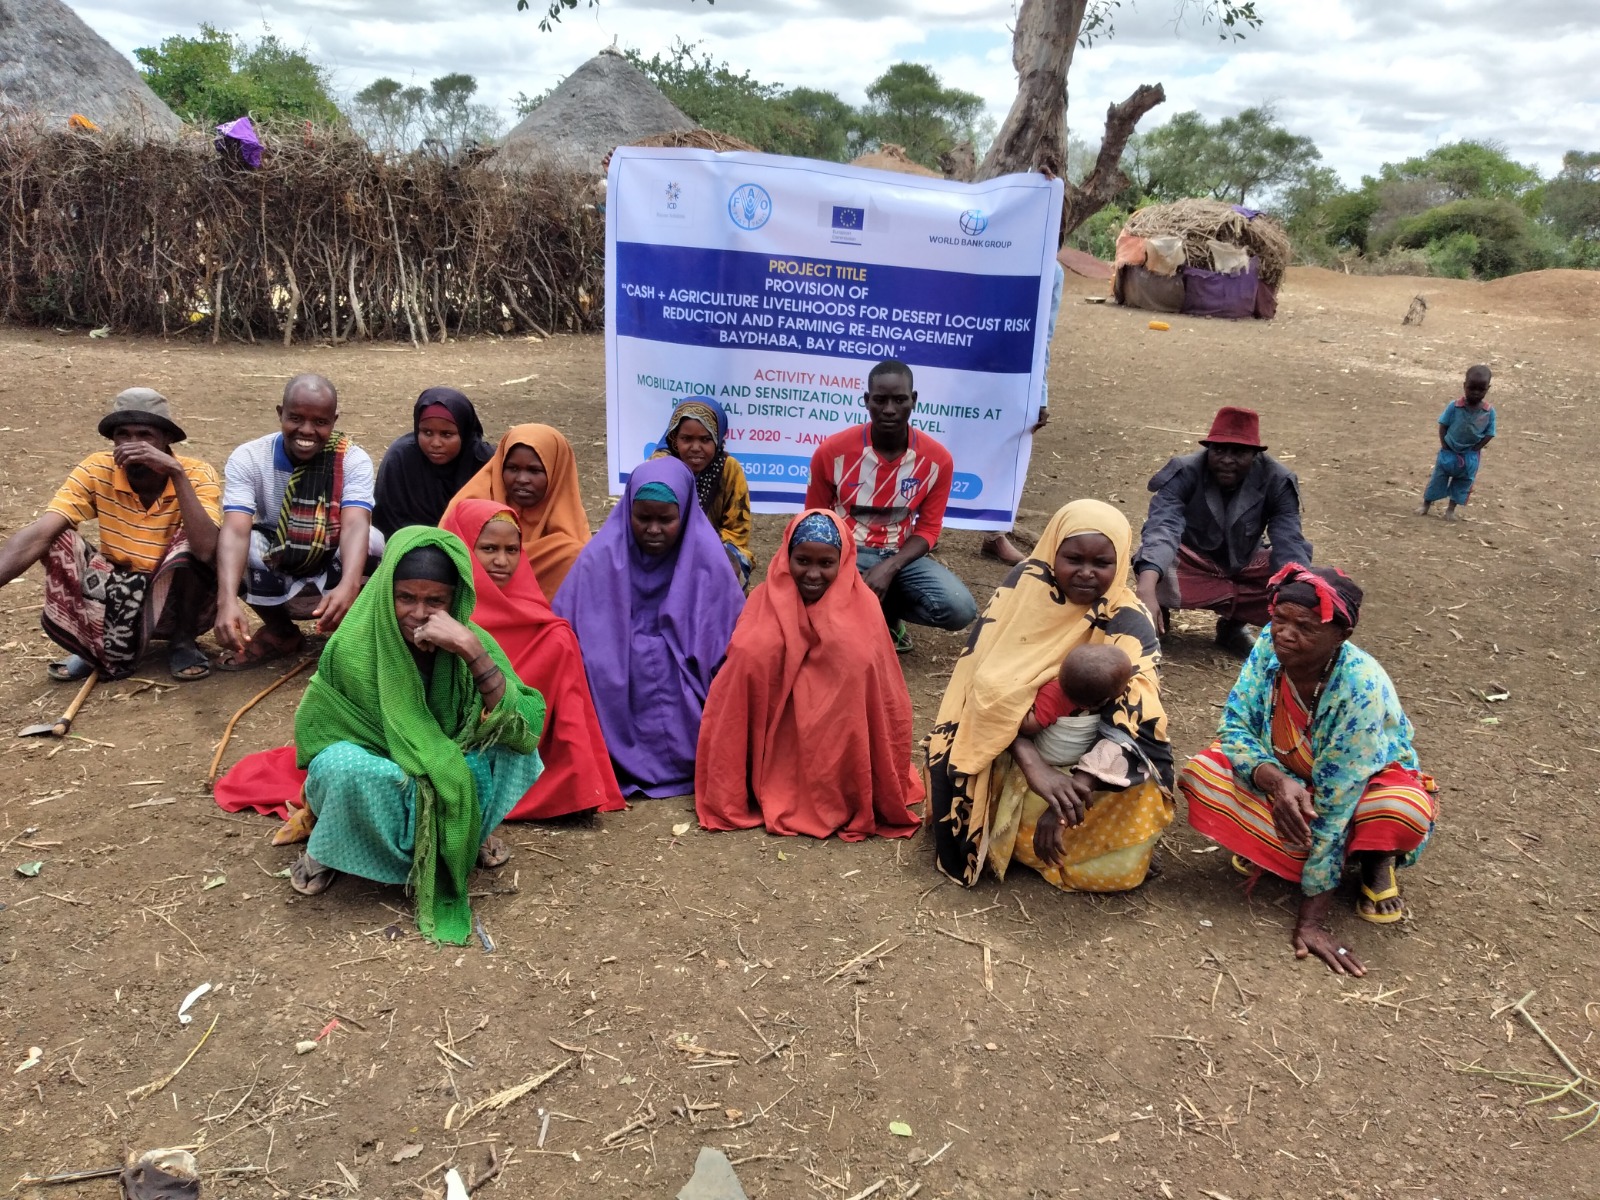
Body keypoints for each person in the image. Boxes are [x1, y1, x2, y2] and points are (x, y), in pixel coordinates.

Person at [286, 528, 548, 945]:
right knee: (341, 767)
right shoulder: (351, 646)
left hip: (447, 769)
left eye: (436, 601)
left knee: (511, 740)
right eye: (405, 597)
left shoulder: (470, 640)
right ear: (385, 591)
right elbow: (319, 735)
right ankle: (330, 847)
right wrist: (415, 763)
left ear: (455, 601)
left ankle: (466, 831)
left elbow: (526, 726)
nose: (418, 613)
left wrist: (471, 651)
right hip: (383, 778)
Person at [1181, 564, 1437, 976]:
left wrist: (1311, 921)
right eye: (1280, 619)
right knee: (1203, 773)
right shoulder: (1269, 644)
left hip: (1357, 791)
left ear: (1341, 636)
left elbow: (1335, 807)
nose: (1285, 633)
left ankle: (1374, 862)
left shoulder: (1359, 687)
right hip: (1289, 773)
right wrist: (1278, 781)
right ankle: (1280, 847)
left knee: (1398, 811)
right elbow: (1234, 725)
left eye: (1305, 627)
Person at [929, 500, 1174, 892]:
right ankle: (1063, 844)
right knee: (966, 755)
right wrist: (1035, 767)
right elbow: (979, 688)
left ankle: (1064, 838)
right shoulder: (1023, 589)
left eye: (1102, 563)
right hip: (1012, 747)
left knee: (1139, 783)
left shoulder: (1128, 620)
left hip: (1089, 766)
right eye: (1073, 559)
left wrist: (1070, 795)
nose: (1086, 573)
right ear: (1051, 551)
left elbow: (1135, 718)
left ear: (1120, 562)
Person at [695, 509, 923, 841]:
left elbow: (883, 697)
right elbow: (737, 682)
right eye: (802, 561)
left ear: (843, 561)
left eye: (826, 563)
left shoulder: (864, 607)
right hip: (767, 751)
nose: (813, 574)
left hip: (836, 756)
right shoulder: (763, 600)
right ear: (786, 557)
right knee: (753, 650)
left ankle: (835, 791)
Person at [553, 458, 744, 798]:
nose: (653, 529)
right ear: (628, 511)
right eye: (643, 518)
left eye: (666, 520)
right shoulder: (601, 556)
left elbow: (726, 639)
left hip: (686, 671)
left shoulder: (708, 560)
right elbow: (568, 627)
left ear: (685, 513)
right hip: (617, 668)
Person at [0, 388, 219, 681]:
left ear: (166, 439)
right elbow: (41, 533)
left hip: (175, 598)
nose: (132, 445)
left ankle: (183, 641)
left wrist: (176, 474)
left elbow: (206, 549)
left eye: (145, 435)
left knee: (190, 544)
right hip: (115, 598)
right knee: (58, 538)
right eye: (122, 435)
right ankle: (90, 645)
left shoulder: (196, 473)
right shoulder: (97, 468)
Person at [440, 499, 626, 820]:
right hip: (451, 746)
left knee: (560, 641)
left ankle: (564, 789)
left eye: (512, 550)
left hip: (521, 748)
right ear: (463, 547)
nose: (502, 561)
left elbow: (569, 718)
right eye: (488, 549)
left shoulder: (542, 627)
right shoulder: (443, 612)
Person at [804, 359, 977, 653]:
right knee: (815, 602)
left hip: (900, 556)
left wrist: (890, 567)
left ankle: (887, 612)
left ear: (914, 400)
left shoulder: (937, 460)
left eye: (899, 400)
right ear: (866, 400)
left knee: (959, 608)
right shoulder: (832, 452)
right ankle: (865, 612)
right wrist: (838, 567)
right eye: (880, 400)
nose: (889, 409)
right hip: (845, 552)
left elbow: (929, 529)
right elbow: (814, 518)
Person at [213, 374, 383, 669]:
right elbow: (236, 530)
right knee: (235, 545)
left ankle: (349, 629)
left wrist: (350, 584)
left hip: (330, 552)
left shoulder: (351, 460)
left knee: (373, 541)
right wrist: (226, 600)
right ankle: (281, 631)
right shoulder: (250, 457)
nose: (306, 430)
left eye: (320, 422)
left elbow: (356, 524)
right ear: (280, 413)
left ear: (334, 420)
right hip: (278, 554)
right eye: (295, 418)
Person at [1133, 405, 1311, 658]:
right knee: (1152, 559)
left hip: (1243, 564)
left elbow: (1288, 540)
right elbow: (1162, 527)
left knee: (1292, 575)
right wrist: (1146, 591)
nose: (1227, 460)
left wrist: (1298, 597)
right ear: (1209, 449)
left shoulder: (1278, 479)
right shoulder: (1184, 470)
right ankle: (1159, 614)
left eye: (1239, 452)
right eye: (1219, 450)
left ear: (1255, 454)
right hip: (1191, 562)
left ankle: (1232, 627)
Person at [441, 423, 590, 598]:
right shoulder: (470, 505)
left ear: (556, 472)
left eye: (534, 470)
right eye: (513, 468)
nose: (522, 479)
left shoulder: (569, 545)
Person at [982, 256, 1063, 566]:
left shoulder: (1051, 269)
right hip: (954, 357)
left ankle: (994, 533)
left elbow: (1042, 336)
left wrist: (1039, 393)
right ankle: (923, 530)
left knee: (1005, 448)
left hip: (1009, 371)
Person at [651, 398, 753, 585]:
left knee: (729, 573)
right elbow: (648, 519)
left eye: (706, 439)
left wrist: (709, 554)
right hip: (664, 546)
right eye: (686, 439)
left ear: (718, 438)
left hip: (715, 550)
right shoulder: (660, 467)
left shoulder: (729, 469)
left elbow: (736, 532)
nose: (696, 448)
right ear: (674, 438)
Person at [372, 387, 494, 538]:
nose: (436, 443)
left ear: (464, 432)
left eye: (447, 434)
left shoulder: (484, 462)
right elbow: (388, 520)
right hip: (410, 542)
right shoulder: (401, 459)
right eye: (427, 433)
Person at [1020, 644, 1137, 771]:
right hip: (1081, 758)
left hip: (1046, 755)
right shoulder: (1111, 699)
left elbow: (1028, 726)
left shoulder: (1053, 694)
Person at [1417, 365, 1495, 521]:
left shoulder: (1488, 412)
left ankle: (1450, 510)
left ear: (1488, 388)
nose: (1476, 393)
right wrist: (1444, 445)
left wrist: (1476, 448)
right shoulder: (1454, 406)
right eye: (1471, 388)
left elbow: (1490, 433)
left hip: (1470, 456)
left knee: (1463, 482)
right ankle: (1426, 504)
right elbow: (1443, 425)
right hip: (1449, 451)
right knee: (1438, 478)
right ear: (1464, 385)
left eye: (1481, 389)